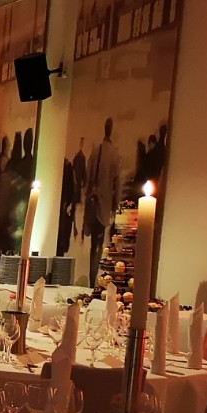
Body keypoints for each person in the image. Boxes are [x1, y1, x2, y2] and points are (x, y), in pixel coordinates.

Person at [84, 117, 121, 287]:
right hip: (103, 205)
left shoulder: (95, 151)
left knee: (94, 245)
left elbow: (88, 178)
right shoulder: (114, 155)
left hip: (92, 203)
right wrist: (115, 206)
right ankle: (92, 280)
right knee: (98, 244)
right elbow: (117, 184)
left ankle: (91, 278)